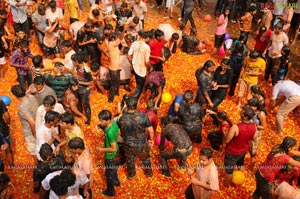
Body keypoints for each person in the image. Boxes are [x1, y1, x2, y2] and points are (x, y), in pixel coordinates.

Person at [118, 97, 154, 179]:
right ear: (137, 104)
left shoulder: (122, 118)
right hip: (142, 144)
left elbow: (120, 132)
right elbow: (151, 130)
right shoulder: (143, 116)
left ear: (126, 105)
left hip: (128, 145)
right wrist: (151, 140)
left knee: (130, 160)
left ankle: (131, 175)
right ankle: (149, 173)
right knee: (146, 159)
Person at [221, 106, 257, 187]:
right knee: (240, 164)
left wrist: (226, 134)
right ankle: (241, 179)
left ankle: (226, 185)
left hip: (232, 152)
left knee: (229, 170)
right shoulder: (254, 126)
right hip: (243, 150)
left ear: (245, 116)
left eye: (242, 112)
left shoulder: (236, 127)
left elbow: (227, 140)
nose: (240, 112)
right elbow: (254, 138)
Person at [11, 84, 39, 162]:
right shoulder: (32, 97)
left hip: (30, 131)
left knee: (33, 150)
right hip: (39, 124)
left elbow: (31, 121)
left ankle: (39, 167)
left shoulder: (22, 107)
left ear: (15, 96)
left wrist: (34, 133)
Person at [97, 110, 120, 197]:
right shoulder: (113, 122)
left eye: (102, 121)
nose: (100, 122)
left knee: (109, 174)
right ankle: (116, 181)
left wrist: (101, 149)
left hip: (110, 155)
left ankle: (111, 191)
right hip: (116, 151)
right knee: (114, 168)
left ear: (108, 120)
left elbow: (113, 149)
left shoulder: (109, 132)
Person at [128, 30, 151, 99]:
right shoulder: (147, 47)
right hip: (142, 70)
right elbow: (147, 62)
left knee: (138, 83)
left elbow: (128, 56)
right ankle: (134, 100)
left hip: (135, 67)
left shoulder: (134, 43)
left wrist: (132, 63)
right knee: (140, 86)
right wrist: (149, 68)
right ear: (146, 38)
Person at [71, 53, 93, 125]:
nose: (73, 63)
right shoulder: (77, 67)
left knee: (86, 105)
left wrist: (80, 82)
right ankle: (80, 114)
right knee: (79, 102)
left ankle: (88, 120)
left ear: (77, 61)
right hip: (78, 88)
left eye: (74, 61)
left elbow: (91, 83)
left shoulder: (86, 71)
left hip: (85, 90)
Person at [210, 58, 232, 123]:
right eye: (222, 65)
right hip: (214, 91)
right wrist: (214, 82)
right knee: (214, 106)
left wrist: (219, 86)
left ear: (228, 66)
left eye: (225, 66)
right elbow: (215, 78)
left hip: (221, 93)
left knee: (211, 108)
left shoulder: (229, 72)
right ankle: (217, 118)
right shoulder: (218, 68)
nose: (223, 67)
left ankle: (218, 120)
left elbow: (228, 85)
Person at [247, 98, 267, 170]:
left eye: (251, 106)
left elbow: (264, 127)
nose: (249, 108)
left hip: (256, 134)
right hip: (248, 132)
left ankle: (251, 168)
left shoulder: (261, 114)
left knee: (253, 152)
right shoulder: (250, 111)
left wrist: (253, 125)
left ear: (256, 106)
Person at [0, 97, 13, 167]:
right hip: (2, 129)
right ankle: (11, 166)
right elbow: (7, 116)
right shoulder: (0, 102)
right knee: (8, 148)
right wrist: (8, 123)